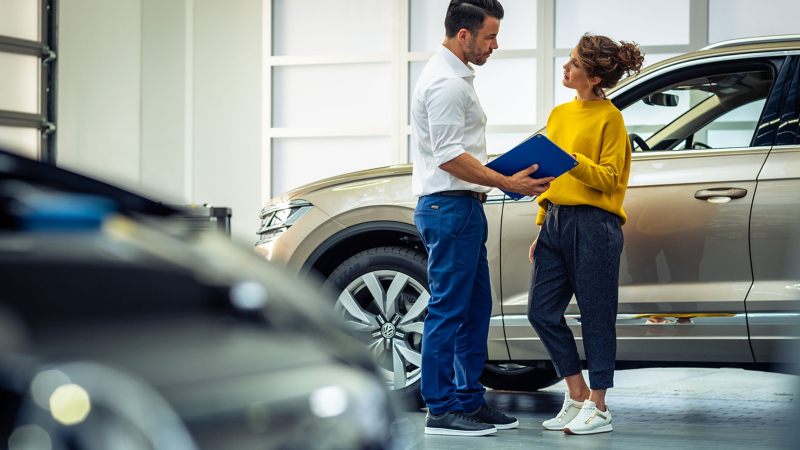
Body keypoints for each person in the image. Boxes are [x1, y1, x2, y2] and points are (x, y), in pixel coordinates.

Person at [411, 0, 554, 437]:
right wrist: (507, 182)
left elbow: (461, 153)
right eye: (490, 36)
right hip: (449, 207)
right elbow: (450, 158)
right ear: (463, 35)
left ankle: (468, 400)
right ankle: (440, 409)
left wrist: (501, 178)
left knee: (475, 309)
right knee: (449, 309)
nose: (495, 45)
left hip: (465, 208)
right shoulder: (446, 84)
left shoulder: (457, 78)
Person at [526, 33, 643, 435]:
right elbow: (547, 175)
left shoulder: (612, 119)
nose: (566, 67)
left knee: (596, 315)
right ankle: (575, 392)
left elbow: (609, 180)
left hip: (596, 225)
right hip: (556, 221)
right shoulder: (559, 115)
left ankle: (600, 405)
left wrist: (573, 162)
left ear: (593, 77)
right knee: (540, 310)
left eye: (574, 63)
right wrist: (542, 225)